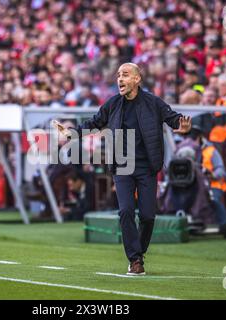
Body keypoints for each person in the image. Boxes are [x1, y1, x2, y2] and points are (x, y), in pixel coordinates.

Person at [53, 63, 192, 275]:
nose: (120, 79)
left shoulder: (153, 102)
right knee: (126, 211)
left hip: (147, 167)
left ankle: (139, 253)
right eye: (118, 75)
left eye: (125, 75)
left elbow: (173, 118)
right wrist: (72, 133)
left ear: (137, 79)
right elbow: (94, 122)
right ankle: (135, 260)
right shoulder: (113, 104)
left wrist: (181, 126)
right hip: (122, 167)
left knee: (147, 216)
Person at [190, 125, 226, 238]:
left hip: (213, 184)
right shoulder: (189, 149)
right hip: (197, 185)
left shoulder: (211, 151)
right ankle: (195, 225)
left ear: (200, 137)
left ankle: (224, 225)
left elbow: (221, 169)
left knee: (214, 199)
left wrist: (212, 175)